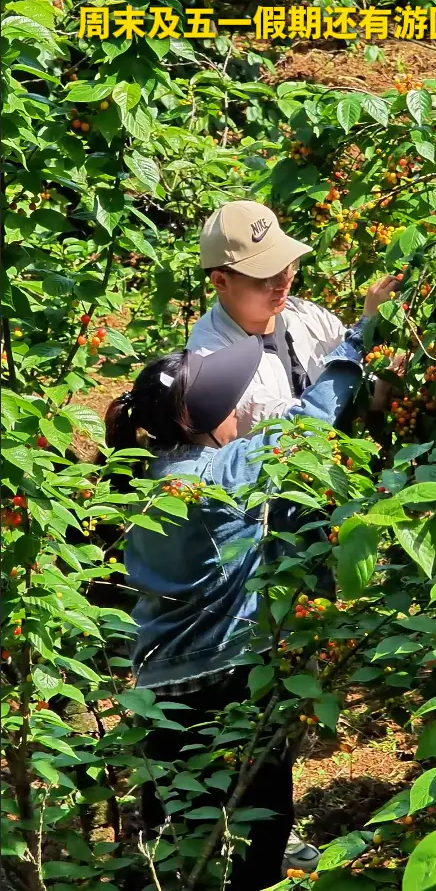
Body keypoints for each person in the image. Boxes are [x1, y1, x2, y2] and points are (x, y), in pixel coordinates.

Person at [105, 275, 398, 891]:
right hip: (228, 672)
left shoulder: (146, 478)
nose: (242, 407)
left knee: (173, 816)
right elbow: (313, 417)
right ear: (202, 419)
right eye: (231, 401)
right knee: (264, 807)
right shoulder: (229, 473)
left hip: (157, 677)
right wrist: (362, 328)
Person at [187, 200, 349, 437]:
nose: (284, 283)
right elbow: (293, 426)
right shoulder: (209, 360)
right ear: (221, 281)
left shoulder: (308, 316)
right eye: (266, 276)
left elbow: (368, 386)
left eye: (287, 267)